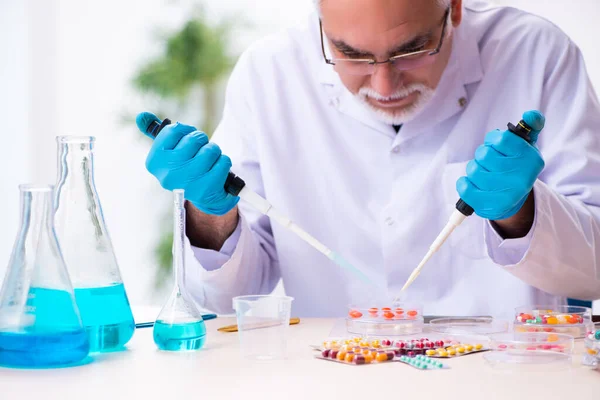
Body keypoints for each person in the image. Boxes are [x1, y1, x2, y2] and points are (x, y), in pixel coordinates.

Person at [141, 0, 600, 317]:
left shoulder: (536, 53)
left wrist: (521, 213)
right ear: (319, 19)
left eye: (412, 50)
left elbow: (594, 272)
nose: (383, 87)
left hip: (507, 373)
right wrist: (209, 214)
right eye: (350, 54)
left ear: (454, 9)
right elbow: (233, 298)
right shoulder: (269, 75)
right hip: (335, 372)